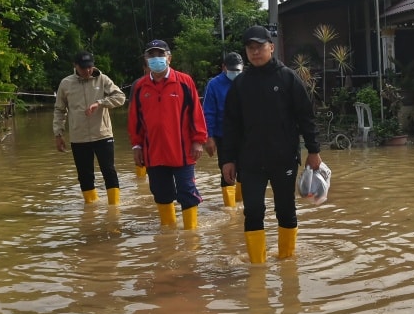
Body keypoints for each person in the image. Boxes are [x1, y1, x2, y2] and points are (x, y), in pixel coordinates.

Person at [219, 25, 322, 263]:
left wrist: (314, 151)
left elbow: (305, 116)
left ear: (271, 47)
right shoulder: (240, 84)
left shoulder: (288, 78)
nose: (255, 52)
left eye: (260, 47)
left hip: (283, 157)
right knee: (253, 211)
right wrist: (228, 160)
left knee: (285, 210)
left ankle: (287, 261)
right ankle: (257, 265)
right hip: (250, 161)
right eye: (250, 48)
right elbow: (231, 125)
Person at [127, 39, 209, 229]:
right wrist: (136, 146)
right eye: (151, 55)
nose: (156, 59)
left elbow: (196, 113)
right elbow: (135, 121)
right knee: (161, 193)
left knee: (187, 192)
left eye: (160, 55)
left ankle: (191, 236)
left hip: (182, 151)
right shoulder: (140, 87)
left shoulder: (184, 81)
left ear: (169, 58)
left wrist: (198, 141)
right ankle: (168, 236)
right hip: (153, 152)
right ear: (146, 60)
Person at [53, 51, 127, 204]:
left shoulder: (102, 79)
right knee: (84, 175)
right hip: (79, 138)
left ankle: (114, 208)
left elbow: (120, 97)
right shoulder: (66, 83)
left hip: (103, 134)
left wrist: (100, 102)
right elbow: (59, 110)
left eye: (90, 67)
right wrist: (58, 134)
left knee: (109, 171)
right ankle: (91, 208)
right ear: (75, 66)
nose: (87, 71)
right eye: (83, 68)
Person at [202, 51, 245, 207]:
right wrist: (209, 137)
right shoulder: (213, 85)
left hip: (244, 135)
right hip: (223, 136)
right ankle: (230, 208)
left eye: (238, 70)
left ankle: (240, 204)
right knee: (226, 170)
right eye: (231, 70)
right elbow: (208, 112)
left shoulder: (246, 81)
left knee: (245, 169)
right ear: (223, 68)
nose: (234, 73)